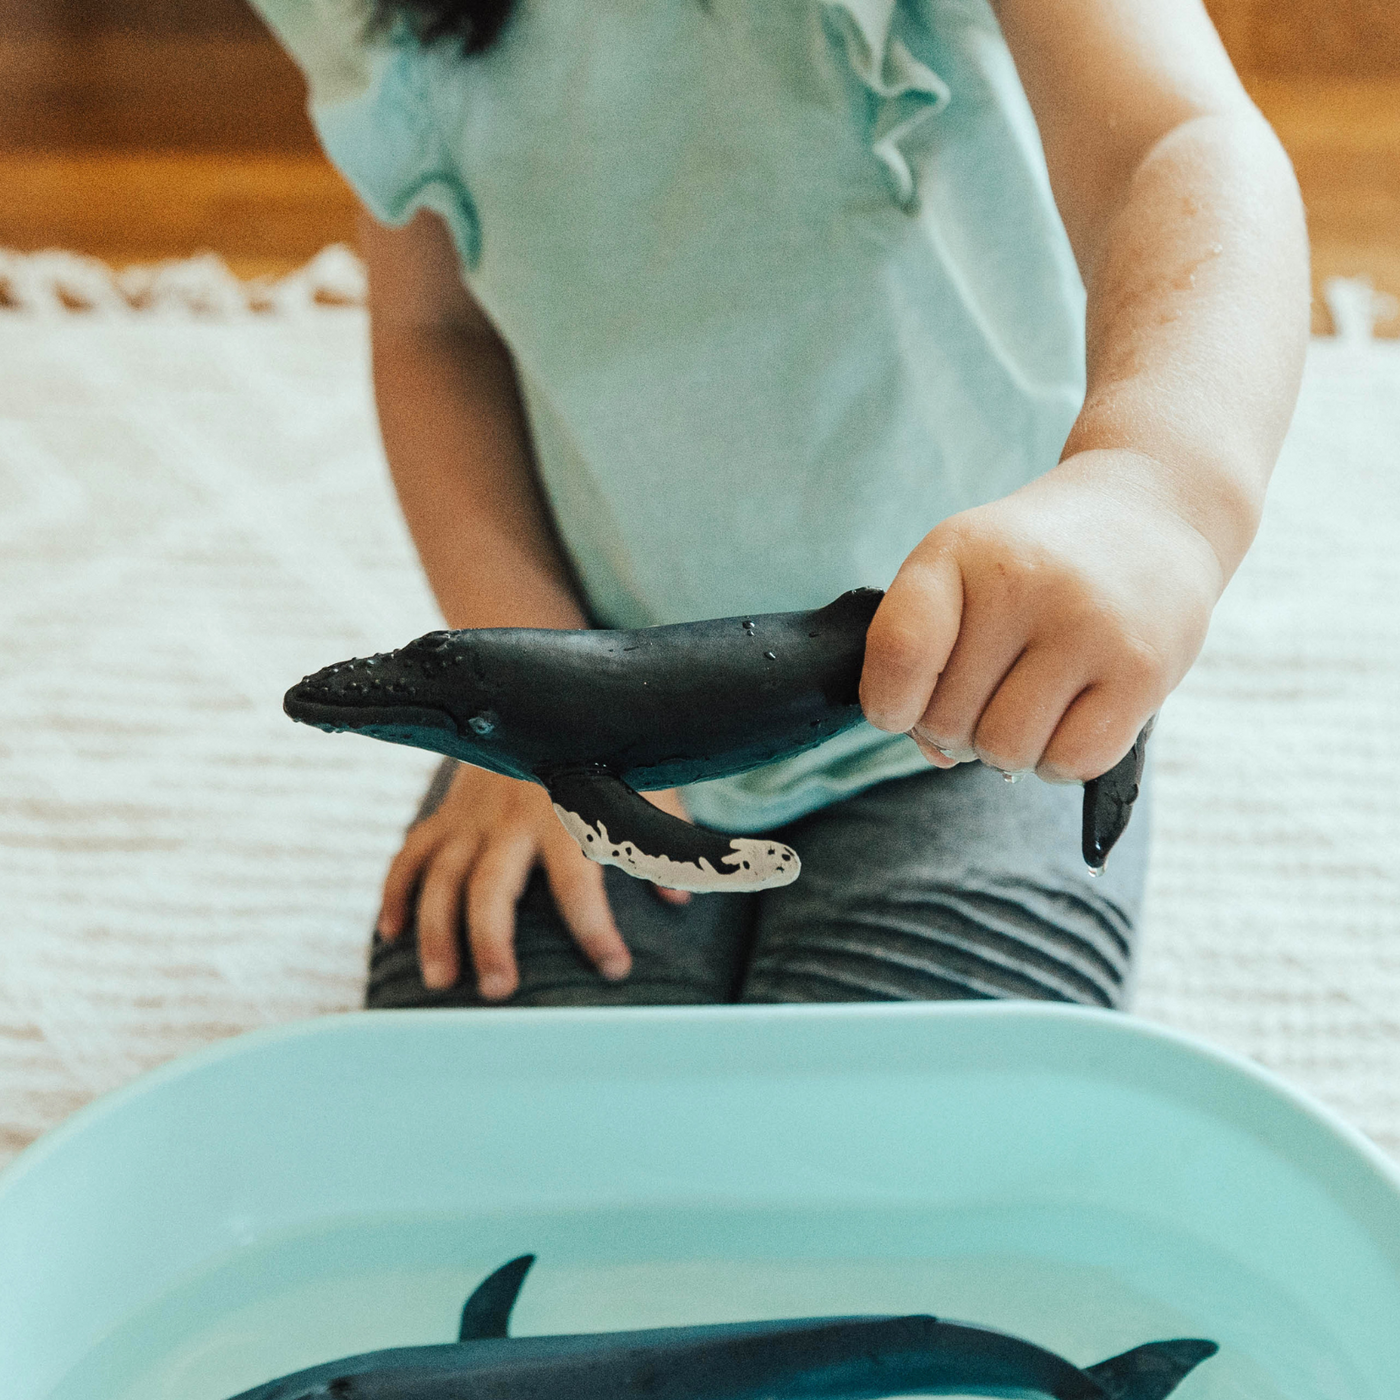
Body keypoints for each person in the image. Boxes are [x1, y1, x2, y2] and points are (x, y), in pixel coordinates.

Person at [253, 0, 1307, 1011]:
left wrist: (1154, 489)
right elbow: (437, 331)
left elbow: (1174, 143)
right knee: (506, 1133)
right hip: (586, 679)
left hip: (985, 677)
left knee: (903, 1140)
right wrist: (520, 659)